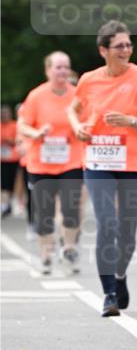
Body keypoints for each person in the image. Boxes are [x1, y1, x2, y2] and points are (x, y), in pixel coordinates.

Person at [69, 20, 137, 317]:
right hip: (97, 160)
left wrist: (130, 121)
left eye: (129, 44)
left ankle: (120, 276)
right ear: (103, 50)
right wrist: (78, 126)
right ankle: (108, 293)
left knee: (127, 231)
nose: (126, 50)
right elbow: (74, 108)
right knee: (106, 223)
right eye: (120, 46)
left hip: (133, 162)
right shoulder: (88, 80)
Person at [18, 52, 84, 275]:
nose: (63, 71)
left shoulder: (77, 96)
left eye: (66, 67)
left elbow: (87, 123)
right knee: (44, 212)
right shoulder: (36, 96)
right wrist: (36, 133)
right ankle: (46, 254)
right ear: (48, 70)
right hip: (41, 164)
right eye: (58, 67)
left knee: (71, 208)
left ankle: (69, 248)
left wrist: (82, 131)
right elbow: (23, 126)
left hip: (71, 161)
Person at [1, 104, 19, 217]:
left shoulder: (14, 125)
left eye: (6, 114)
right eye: (3, 114)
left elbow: (18, 140)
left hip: (12, 159)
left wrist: (9, 141)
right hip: (1, 159)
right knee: (3, 183)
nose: (4, 116)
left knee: (11, 183)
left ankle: (9, 204)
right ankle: (4, 205)